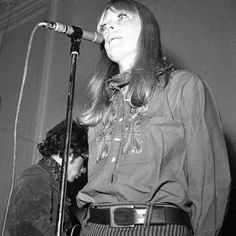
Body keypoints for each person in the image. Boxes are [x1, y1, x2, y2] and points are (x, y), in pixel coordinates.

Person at [76, 0, 231, 235]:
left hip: (157, 228)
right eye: (103, 25)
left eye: (121, 18)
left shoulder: (183, 87)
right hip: (95, 228)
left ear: (147, 29)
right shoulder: (101, 105)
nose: (107, 28)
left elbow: (211, 183)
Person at [6, 119, 88, 236]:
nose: (83, 169)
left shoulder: (51, 180)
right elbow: (33, 227)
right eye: (84, 159)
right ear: (69, 152)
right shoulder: (36, 177)